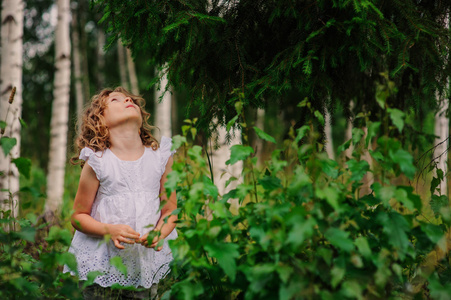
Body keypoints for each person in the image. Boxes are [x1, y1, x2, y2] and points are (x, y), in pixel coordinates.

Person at [63, 87, 177, 299]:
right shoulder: (98, 162)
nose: (127, 100)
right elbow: (78, 217)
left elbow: (170, 210)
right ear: (100, 120)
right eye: (116, 100)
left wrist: (160, 233)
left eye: (130, 99)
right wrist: (109, 230)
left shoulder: (160, 158)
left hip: (144, 266)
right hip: (102, 268)